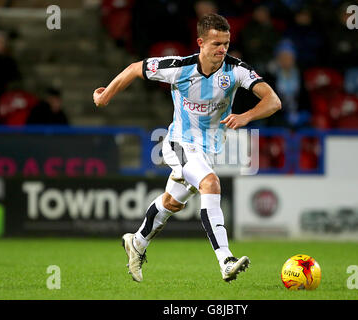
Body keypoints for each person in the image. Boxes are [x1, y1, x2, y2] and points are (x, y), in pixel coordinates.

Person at [93, 13, 281, 283]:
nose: (222, 49)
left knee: (172, 203)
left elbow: (273, 101)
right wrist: (104, 96)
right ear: (200, 42)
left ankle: (137, 243)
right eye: (216, 43)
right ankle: (226, 259)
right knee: (210, 183)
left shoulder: (236, 70)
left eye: (226, 43)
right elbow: (135, 68)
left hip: (209, 149)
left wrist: (246, 116)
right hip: (178, 143)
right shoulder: (179, 68)